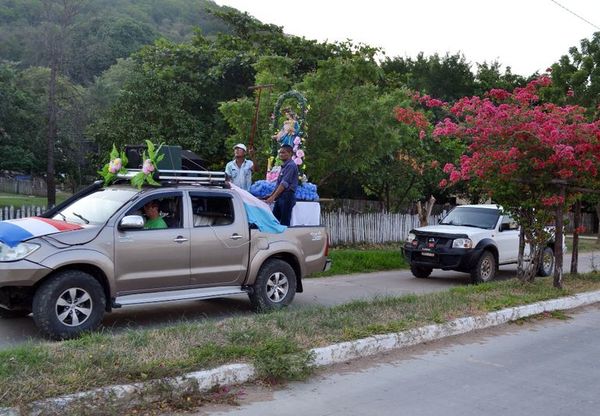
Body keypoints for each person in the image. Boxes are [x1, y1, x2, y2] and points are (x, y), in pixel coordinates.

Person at [266, 145, 298, 226]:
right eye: (280, 153)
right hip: (280, 196)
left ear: (290, 153)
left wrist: (273, 197)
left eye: (283, 152)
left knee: (284, 222)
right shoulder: (284, 166)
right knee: (275, 220)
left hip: (287, 196)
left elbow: (284, 184)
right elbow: (278, 183)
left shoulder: (291, 165)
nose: (281, 154)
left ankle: (285, 238)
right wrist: (271, 195)